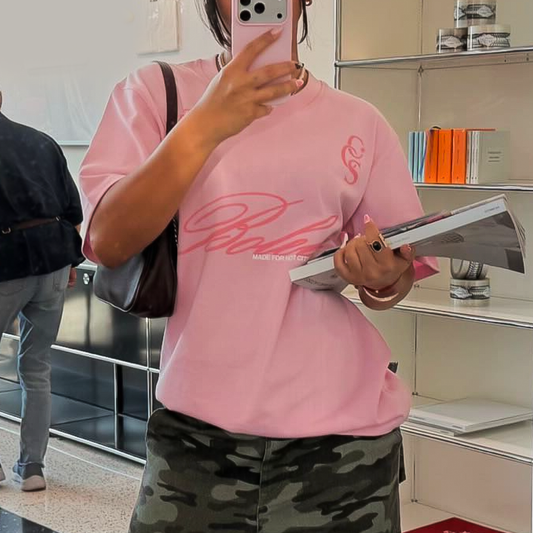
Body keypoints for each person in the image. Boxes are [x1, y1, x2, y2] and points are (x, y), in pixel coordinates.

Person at [79, 0, 438, 530]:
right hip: (197, 439)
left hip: (345, 448)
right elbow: (107, 240)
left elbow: (398, 270)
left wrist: (382, 278)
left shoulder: (359, 121)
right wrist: (205, 124)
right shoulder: (154, 94)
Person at [0, 90, 84, 491]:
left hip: (6, 264)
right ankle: (32, 467)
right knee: (36, 367)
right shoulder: (41, 141)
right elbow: (73, 210)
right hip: (54, 262)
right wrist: (70, 263)